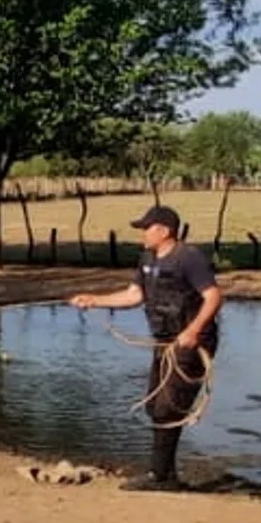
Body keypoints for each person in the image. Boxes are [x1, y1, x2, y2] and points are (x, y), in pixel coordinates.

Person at [70, 204, 223, 491]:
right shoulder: (147, 258)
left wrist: (192, 331)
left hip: (191, 343)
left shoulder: (189, 258)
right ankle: (165, 474)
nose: (142, 233)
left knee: (169, 408)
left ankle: (161, 477)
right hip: (163, 342)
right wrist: (94, 300)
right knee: (156, 406)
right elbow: (133, 295)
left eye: (146, 228)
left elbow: (213, 297)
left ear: (164, 231)